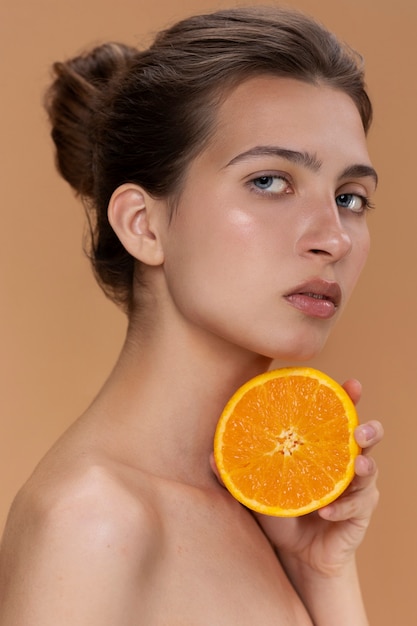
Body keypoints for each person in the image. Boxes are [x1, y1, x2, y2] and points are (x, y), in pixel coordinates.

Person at [0, 5, 383, 624]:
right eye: (270, 181)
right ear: (143, 225)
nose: (333, 238)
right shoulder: (92, 521)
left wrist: (323, 576)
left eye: (349, 198)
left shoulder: (266, 517)